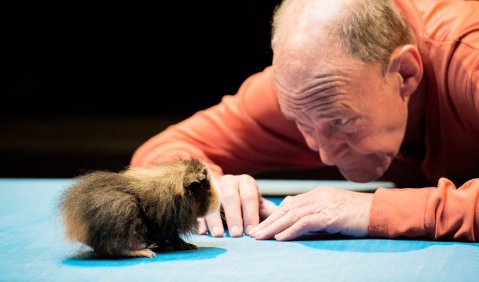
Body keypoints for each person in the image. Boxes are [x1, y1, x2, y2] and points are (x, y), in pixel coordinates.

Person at [131, 0, 479, 241]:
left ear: (405, 74)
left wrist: (376, 210)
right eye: (303, 124)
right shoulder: (306, 91)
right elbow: (158, 153)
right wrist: (203, 184)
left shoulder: (470, 61)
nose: (324, 154)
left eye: (341, 122)